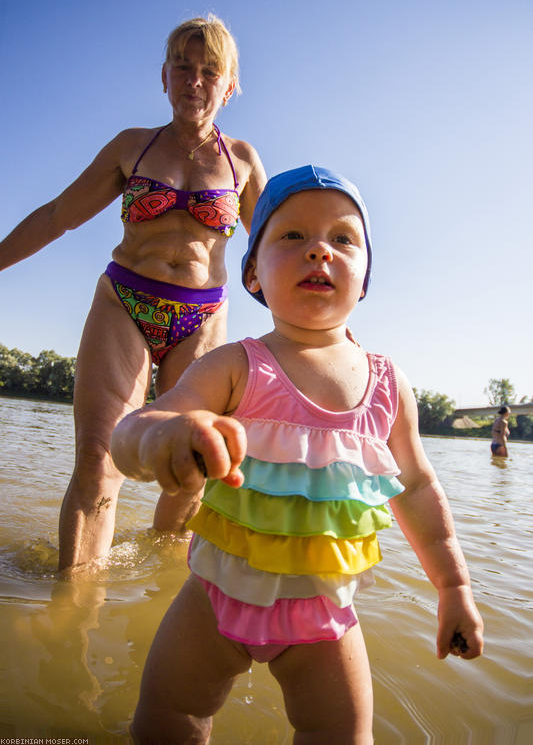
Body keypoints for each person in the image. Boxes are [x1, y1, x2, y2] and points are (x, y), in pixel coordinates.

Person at [111, 166, 484, 744]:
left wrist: (454, 588)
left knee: (343, 735)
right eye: (292, 237)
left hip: (325, 617)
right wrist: (161, 437)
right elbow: (141, 423)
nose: (319, 252)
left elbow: (416, 487)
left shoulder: (389, 386)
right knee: (167, 719)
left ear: (364, 279)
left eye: (343, 239)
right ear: (254, 272)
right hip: (212, 599)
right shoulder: (236, 364)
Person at [0, 15, 267, 572]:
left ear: (230, 85)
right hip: (124, 303)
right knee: (99, 462)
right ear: (164, 77)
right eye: (183, 67)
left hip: (201, 318)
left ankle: (160, 579)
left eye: (209, 71)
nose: (195, 80)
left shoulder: (242, 160)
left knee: (191, 469)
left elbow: (272, 250)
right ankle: (70, 616)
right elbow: (57, 215)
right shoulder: (132, 147)